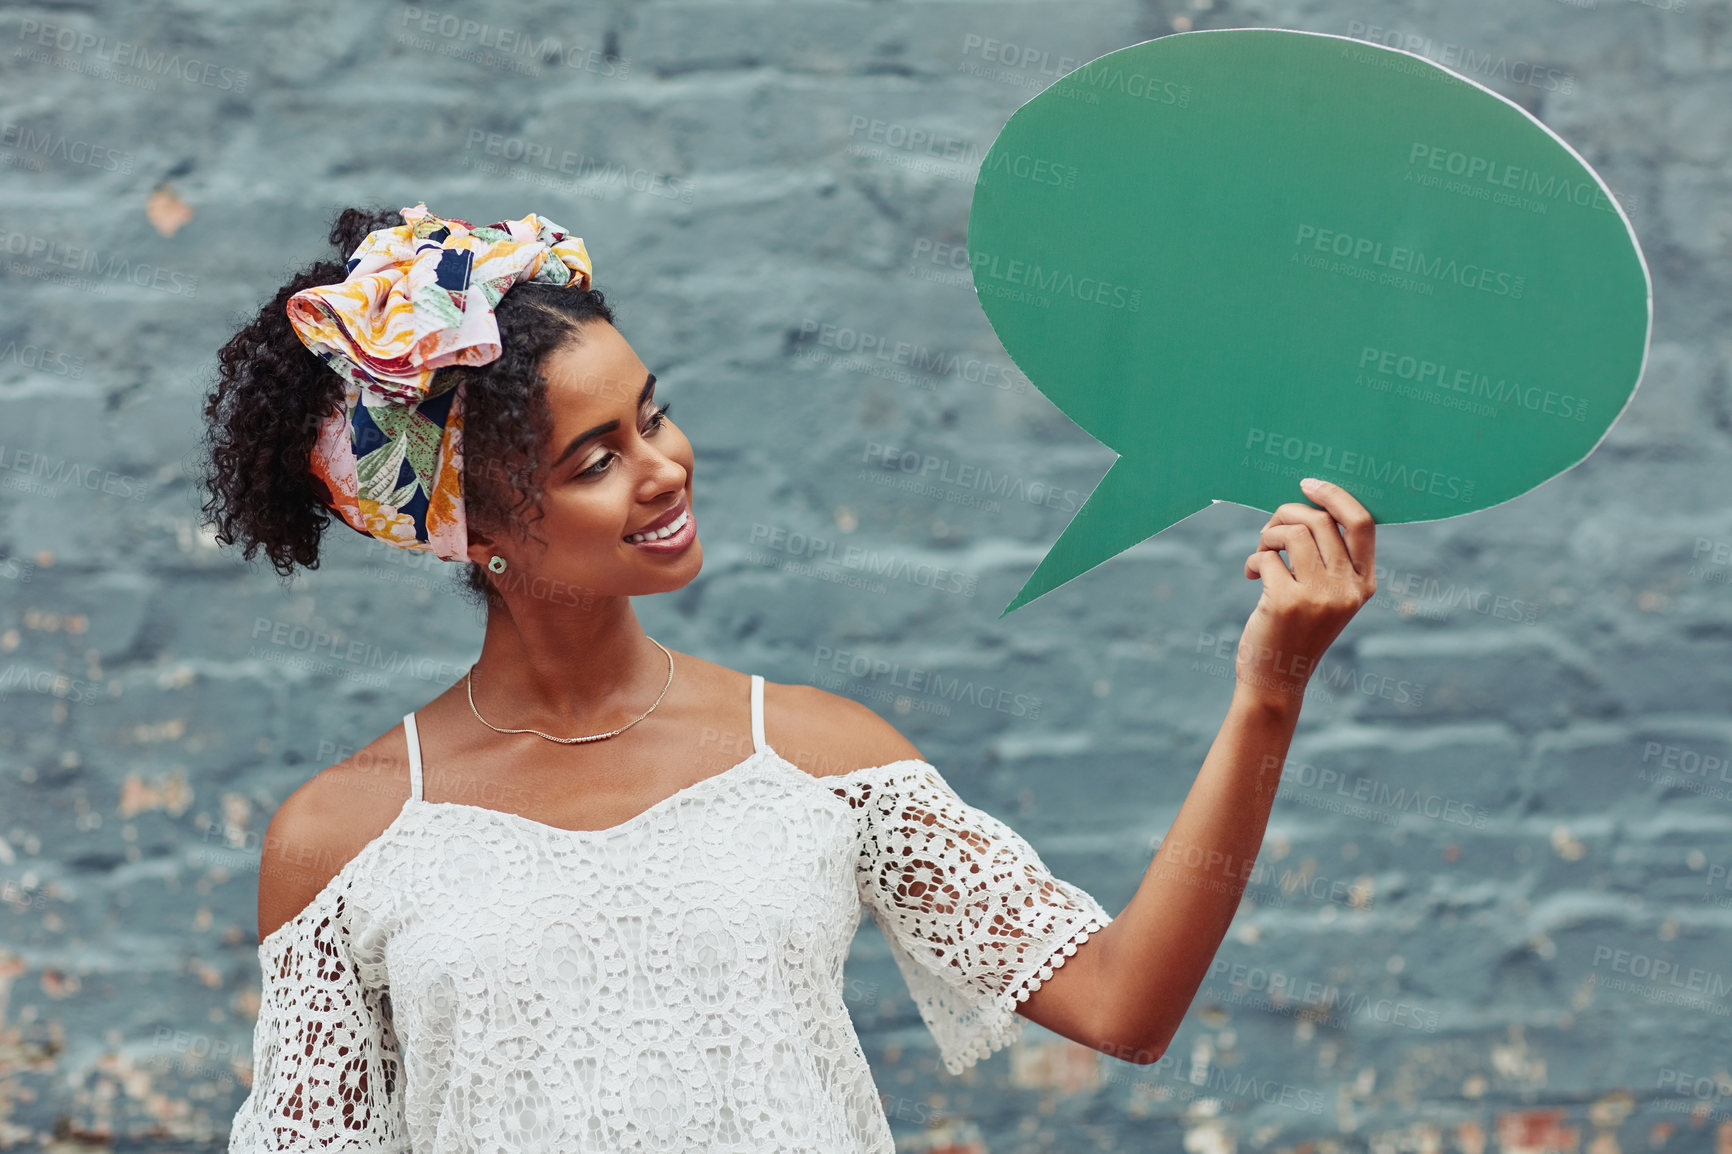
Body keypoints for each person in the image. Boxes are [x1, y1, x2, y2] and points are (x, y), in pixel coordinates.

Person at [201, 203, 1378, 1153]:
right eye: (595, 458)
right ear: (478, 526)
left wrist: (1269, 690)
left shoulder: (820, 756)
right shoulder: (342, 840)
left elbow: (1124, 1003)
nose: (662, 469)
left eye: (652, 415)